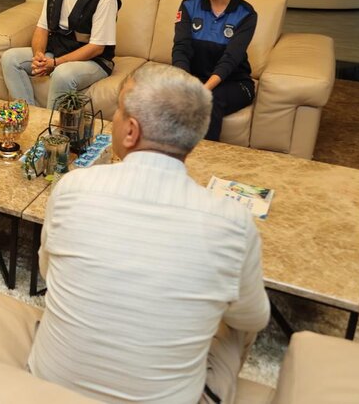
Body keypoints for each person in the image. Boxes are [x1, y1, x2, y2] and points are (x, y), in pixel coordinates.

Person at [28, 64, 270, 404]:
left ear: (131, 131)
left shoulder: (73, 186)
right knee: (237, 324)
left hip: (48, 384)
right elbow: (254, 317)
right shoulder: (234, 222)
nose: (113, 118)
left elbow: (47, 271)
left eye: (118, 111)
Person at [0, 0, 120, 108]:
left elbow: (97, 47)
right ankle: (28, 114)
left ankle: (50, 125)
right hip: (57, 51)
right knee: (10, 58)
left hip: (94, 61)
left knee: (62, 74)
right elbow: (42, 28)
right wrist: (39, 55)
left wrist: (56, 63)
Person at [172, 0, 256, 142]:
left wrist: (203, 90)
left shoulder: (246, 14)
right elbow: (181, 49)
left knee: (208, 102)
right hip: (194, 78)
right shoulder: (189, 5)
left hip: (233, 82)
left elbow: (231, 59)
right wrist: (186, 84)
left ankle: (204, 157)